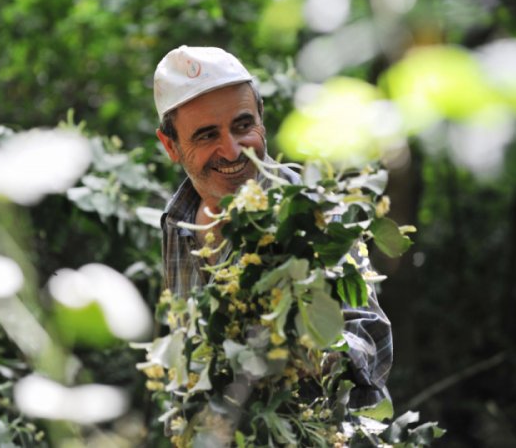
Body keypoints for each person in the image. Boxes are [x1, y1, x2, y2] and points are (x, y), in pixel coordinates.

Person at [153, 45, 392, 410]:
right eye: (206, 135)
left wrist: (313, 360)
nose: (232, 150)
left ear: (261, 120)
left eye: (243, 125)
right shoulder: (177, 222)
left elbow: (369, 337)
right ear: (170, 145)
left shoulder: (313, 211)